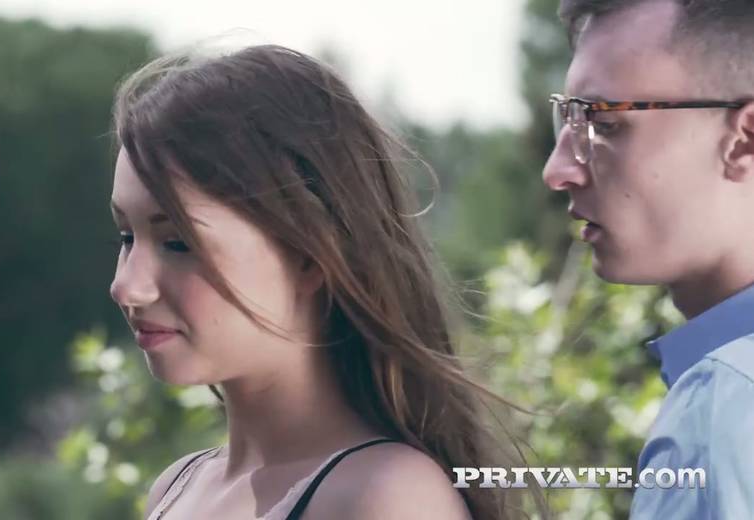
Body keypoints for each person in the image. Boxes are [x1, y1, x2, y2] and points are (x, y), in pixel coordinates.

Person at [108, 44, 526, 519]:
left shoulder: (389, 497)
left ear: (309, 256)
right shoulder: (176, 488)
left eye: (178, 243)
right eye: (126, 237)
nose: (127, 286)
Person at [543, 0, 754, 517]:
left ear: (743, 140)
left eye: (604, 123)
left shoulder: (723, 405)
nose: (558, 170)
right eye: (568, 117)